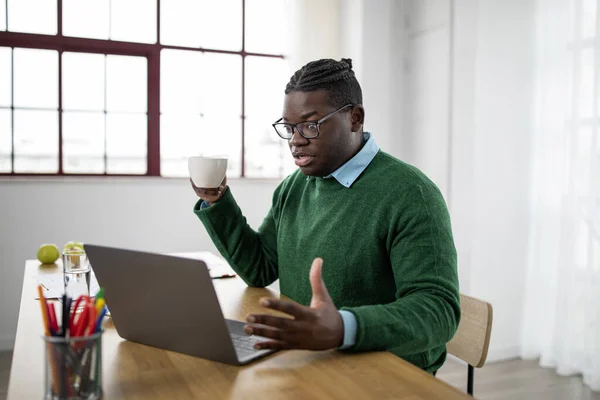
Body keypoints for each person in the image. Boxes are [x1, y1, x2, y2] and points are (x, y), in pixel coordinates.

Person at [191, 58, 460, 373]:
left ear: (354, 118)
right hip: (307, 360)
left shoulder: (410, 193)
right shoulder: (294, 186)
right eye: (289, 127)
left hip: (385, 372)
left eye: (310, 124)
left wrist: (344, 328)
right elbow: (260, 268)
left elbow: (438, 311)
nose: (295, 139)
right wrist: (217, 200)